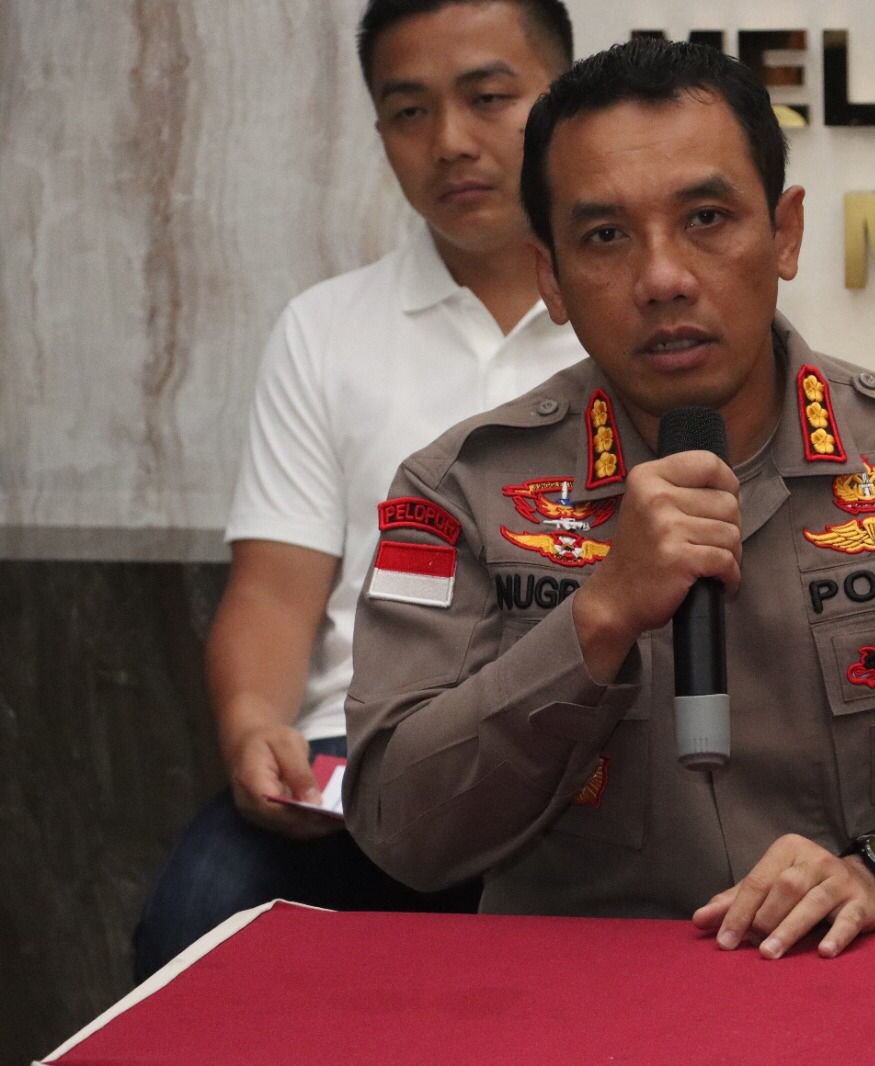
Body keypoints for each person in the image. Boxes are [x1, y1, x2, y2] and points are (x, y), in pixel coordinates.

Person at [342, 38, 875, 960]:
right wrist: (594, 623)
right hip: (581, 998)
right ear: (550, 275)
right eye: (605, 237)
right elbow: (399, 826)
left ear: (785, 233)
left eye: (707, 218)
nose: (663, 278)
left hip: (868, 984)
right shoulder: (460, 492)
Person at [133, 0, 583, 980]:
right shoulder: (327, 328)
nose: (450, 142)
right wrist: (254, 726)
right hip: (367, 753)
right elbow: (273, 590)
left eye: (489, 97)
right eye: (410, 111)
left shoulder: (636, 312)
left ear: (562, 102)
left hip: (588, 746)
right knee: (194, 923)